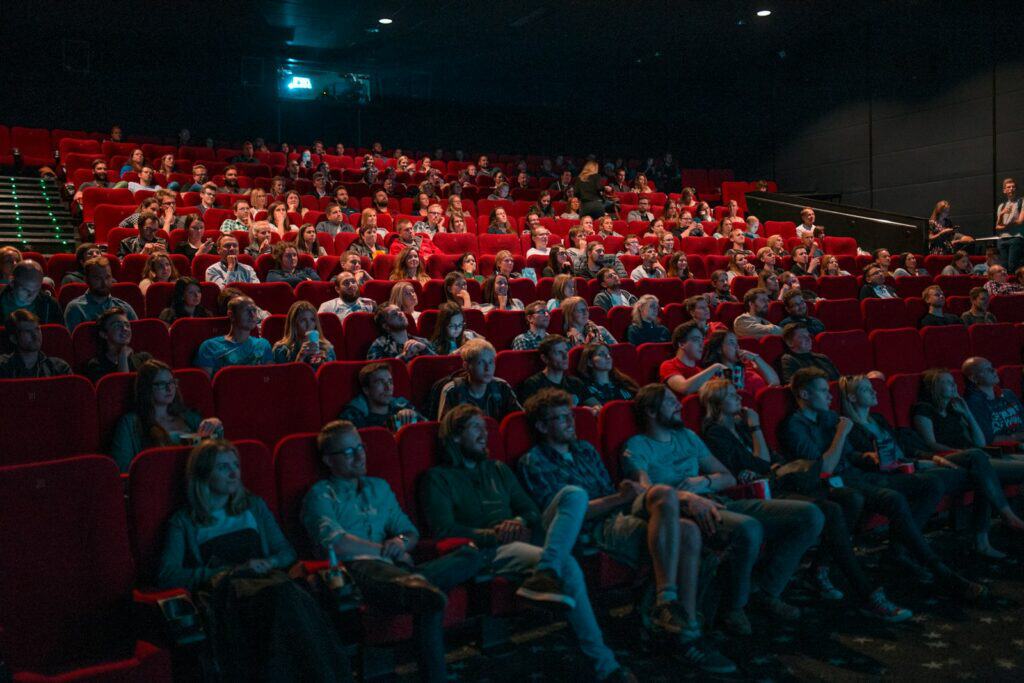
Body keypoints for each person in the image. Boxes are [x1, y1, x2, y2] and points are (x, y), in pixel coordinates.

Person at [517, 389, 737, 674]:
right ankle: (686, 634)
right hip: (594, 526)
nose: (571, 423)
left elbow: (612, 493)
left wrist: (623, 497)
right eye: (561, 419)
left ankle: (668, 605)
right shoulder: (534, 461)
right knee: (688, 534)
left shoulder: (584, 449)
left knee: (664, 495)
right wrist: (619, 498)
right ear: (542, 426)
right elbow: (564, 516)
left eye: (570, 416)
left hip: (618, 511)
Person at [421, 405, 636, 682]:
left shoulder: (497, 469)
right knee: (567, 564)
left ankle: (546, 571)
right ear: (454, 437)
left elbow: (532, 510)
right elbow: (445, 529)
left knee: (574, 494)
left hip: (526, 534)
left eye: (485, 428)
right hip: (491, 548)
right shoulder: (438, 478)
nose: (484, 434)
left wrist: (520, 521)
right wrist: (495, 533)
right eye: (475, 428)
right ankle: (606, 666)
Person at [700, 379, 912, 621]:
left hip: (781, 483)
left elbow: (770, 459)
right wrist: (757, 429)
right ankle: (865, 592)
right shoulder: (715, 432)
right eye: (730, 395)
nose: (739, 397)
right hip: (761, 493)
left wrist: (767, 455)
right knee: (830, 510)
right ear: (716, 403)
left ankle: (819, 571)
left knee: (849, 499)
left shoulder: (740, 426)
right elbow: (758, 464)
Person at [625, 383, 823, 629]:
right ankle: (735, 607)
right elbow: (645, 492)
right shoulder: (637, 445)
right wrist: (686, 497)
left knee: (810, 515)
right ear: (651, 412)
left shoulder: (688, 436)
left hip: (720, 500)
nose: (679, 405)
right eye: (669, 401)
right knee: (749, 528)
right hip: (685, 512)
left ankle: (766, 590)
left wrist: (703, 481)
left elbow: (727, 477)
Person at [779, 368, 986, 600]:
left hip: (857, 475)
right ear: (805, 395)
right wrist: (840, 434)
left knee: (931, 484)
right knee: (893, 498)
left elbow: (849, 457)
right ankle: (940, 570)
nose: (829, 396)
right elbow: (824, 468)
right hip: (833, 485)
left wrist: (868, 457)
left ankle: (898, 552)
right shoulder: (795, 426)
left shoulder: (828, 418)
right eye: (823, 391)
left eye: (829, 391)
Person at [302, 421, 484, 682]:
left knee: (471, 554)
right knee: (424, 595)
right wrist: (385, 551)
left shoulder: (379, 487)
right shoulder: (320, 495)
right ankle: (418, 589)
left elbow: (409, 532)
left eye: (360, 447)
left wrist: (400, 542)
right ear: (329, 460)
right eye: (349, 452)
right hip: (359, 571)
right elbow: (335, 544)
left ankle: (417, 585)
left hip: (398, 569)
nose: (360, 455)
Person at [159, 440, 351, 681]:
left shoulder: (253, 506)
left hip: (268, 581)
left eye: (236, 465)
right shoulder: (185, 521)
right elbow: (168, 574)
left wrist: (268, 562)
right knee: (286, 598)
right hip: (229, 593)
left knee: (289, 597)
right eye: (223, 467)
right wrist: (227, 571)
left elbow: (286, 552)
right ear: (203, 474)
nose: (233, 473)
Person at [845, 371, 1024, 560]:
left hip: (935, 460)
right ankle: (994, 528)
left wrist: (967, 414)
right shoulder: (852, 427)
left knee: (980, 468)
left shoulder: (879, 419)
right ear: (852, 397)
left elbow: (905, 448)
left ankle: (986, 537)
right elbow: (880, 458)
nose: (874, 392)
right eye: (867, 389)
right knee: (978, 463)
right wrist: (934, 459)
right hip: (912, 467)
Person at [109, 360, 223, 471]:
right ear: (147, 388)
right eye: (161, 384)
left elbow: (215, 451)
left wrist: (215, 425)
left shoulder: (189, 417)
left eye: (172, 382)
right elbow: (123, 467)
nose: (169, 388)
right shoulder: (130, 423)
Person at [436, 339, 521, 420]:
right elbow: (446, 430)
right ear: (466, 366)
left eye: (491, 362)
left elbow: (518, 420)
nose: (487, 368)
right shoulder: (452, 391)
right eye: (481, 363)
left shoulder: (502, 387)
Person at [195, 295, 273, 376]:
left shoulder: (263, 344)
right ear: (231, 315)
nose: (253, 315)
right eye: (247, 311)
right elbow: (205, 385)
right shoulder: (210, 347)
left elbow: (269, 380)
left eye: (254, 311)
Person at [516, 334, 597, 409]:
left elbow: (596, 406)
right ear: (545, 358)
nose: (565, 356)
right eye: (559, 352)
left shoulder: (575, 383)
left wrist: (594, 410)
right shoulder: (533, 384)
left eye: (566, 351)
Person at [338, 363, 424, 430]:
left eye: (390, 382)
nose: (388, 387)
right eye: (380, 382)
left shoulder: (403, 406)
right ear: (366, 390)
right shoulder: (354, 417)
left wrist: (414, 415)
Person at [64, 256, 138, 331]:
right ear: (86, 280)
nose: (104, 283)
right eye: (98, 278)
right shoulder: (75, 309)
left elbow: (137, 338)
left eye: (107, 277)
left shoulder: (125, 308)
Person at [703, 329, 779, 399]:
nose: (737, 347)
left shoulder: (749, 367)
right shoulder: (713, 375)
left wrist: (755, 358)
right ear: (719, 349)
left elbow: (775, 382)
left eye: (737, 343)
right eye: (732, 342)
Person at [82, 307, 152, 382]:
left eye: (127, 325)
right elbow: (121, 388)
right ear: (104, 334)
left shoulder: (144, 358)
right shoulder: (96, 365)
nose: (125, 329)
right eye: (117, 325)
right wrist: (123, 356)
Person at [659, 322, 727, 396]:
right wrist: (716, 367)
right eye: (696, 340)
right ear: (682, 344)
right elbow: (683, 388)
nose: (702, 345)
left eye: (702, 340)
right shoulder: (668, 365)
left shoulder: (700, 371)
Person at [0, 310, 71, 378]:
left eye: (37, 329)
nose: (35, 335)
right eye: (28, 331)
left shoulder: (59, 368)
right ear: (14, 339)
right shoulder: (3, 367)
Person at [271, 301, 336, 367]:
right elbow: (285, 377)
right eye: (303, 320)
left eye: (312, 320)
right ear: (294, 324)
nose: (309, 325)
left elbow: (333, 375)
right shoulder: (281, 350)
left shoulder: (327, 348)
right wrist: (300, 358)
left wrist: (325, 364)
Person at [366, 304, 435, 361]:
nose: (400, 313)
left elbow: (441, 365)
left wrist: (425, 349)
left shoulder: (422, 341)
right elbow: (376, 372)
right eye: (394, 314)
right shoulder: (380, 344)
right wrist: (404, 356)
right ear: (386, 326)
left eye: (399, 310)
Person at [995, 177, 1024, 273]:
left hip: (1016, 238)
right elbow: (997, 226)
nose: (1011, 189)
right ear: (1004, 190)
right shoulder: (1001, 206)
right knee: (1003, 268)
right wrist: (1002, 213)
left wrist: (1006, 225)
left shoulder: (1021, 202)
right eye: (1008, 187)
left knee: (1013, 266)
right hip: (1002, 239)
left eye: (1013, 187)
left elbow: (1020, 221)